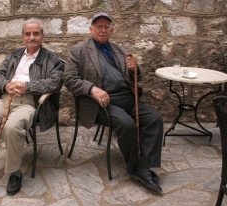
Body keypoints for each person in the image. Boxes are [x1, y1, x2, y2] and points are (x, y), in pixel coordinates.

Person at [63, 12, 163, 192]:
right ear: (91, 29)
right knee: (127, 124)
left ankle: (145, 164)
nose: (103, 30)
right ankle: (136, 168)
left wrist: (135, 69)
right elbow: (69, 79)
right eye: (99, 26)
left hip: (129, 98)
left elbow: (134, 77)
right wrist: (92, 88)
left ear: (112, 30)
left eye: (106, 27)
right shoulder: (79, 50)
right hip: (103, 102)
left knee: (154, 119)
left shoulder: (120, 50)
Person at [0, 19, 64, 196]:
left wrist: (27, 87)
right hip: (4, 98)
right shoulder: (14, 55)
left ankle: (14, 172)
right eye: (28, 34)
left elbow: (55, 83)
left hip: (28, 102)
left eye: (36, 33)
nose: (32, 37)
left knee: (12, 127)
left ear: (42, 36)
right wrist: (7, 85)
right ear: (23, 37)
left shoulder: (52, 59)